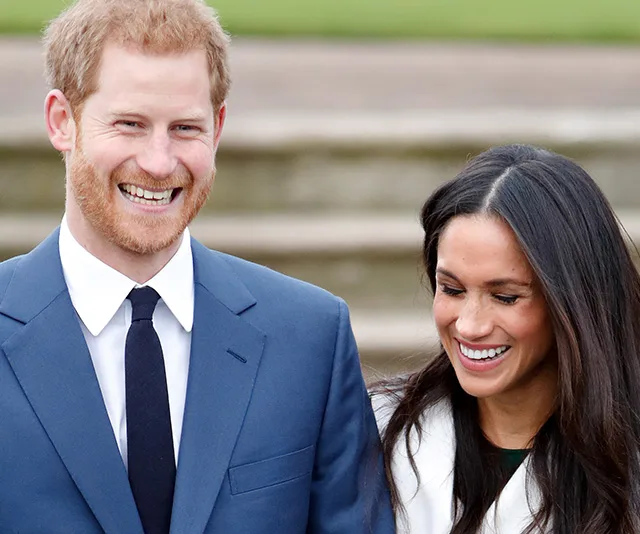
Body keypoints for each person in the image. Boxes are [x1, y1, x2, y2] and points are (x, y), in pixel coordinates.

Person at [0, 0, 394, 532]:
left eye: (185, 128)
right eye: (130, 124)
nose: (160, 162)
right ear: (61, 121)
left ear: (219, 126)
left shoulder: (311, 339)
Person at [374, 144, 640, 533]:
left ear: (573, 302)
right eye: (451, 289)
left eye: (505, 297)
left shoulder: (626, 463)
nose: (469, 325)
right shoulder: (380, 430)